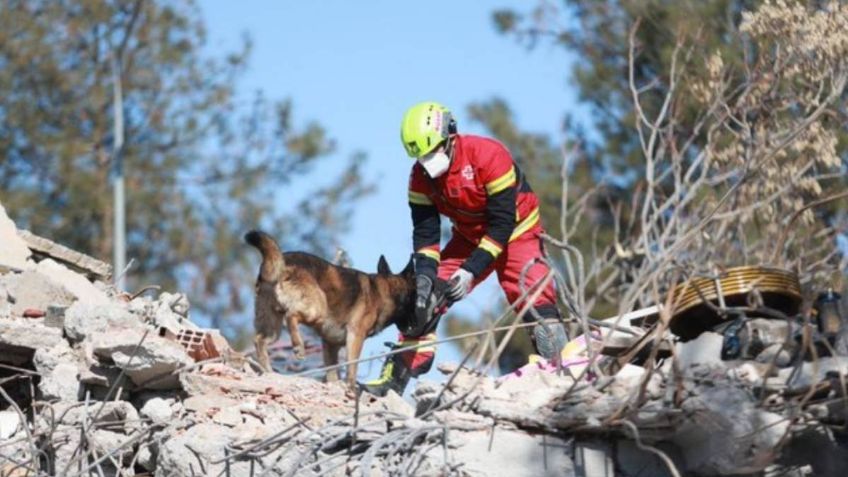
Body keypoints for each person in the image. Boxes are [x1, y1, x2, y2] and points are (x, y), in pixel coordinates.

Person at [362, 101, 568, 397]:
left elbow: (502, 223)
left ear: (451, 137)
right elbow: (426, 232)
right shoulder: (419, 178)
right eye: (421, 156)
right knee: (423, 299)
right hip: (468, 237)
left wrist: (470, 271)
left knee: (535, 297)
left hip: (518, 232)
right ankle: (395, 378)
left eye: (433, 152)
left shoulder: (488, 155)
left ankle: (560, 372)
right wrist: (425, 278)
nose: (428, 161)